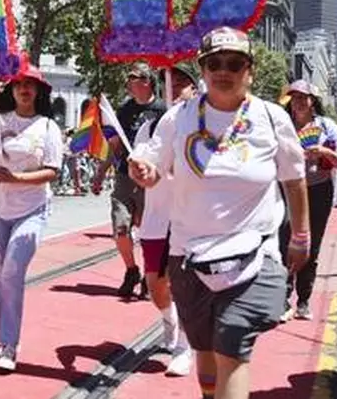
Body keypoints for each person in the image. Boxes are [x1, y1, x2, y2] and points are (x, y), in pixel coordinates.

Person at [128, 27, 310, 399]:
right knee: (206, 351)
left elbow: (294, 180)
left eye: (234, 63)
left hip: (253, 258)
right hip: (189, 257)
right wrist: (144, 171)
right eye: (214, 63)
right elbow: (154, 164)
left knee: (232, 347)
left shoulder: (272, 118)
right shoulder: (177, 118)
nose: (223, 71)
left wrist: (301, 236)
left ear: (250, 71)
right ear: (203, 69)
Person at [0, 66, 63, 373]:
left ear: (39, 91)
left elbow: (53, 172)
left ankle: (9, 344)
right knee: (0, 277)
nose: (24, 90)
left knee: (12, 272)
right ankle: (6, 334)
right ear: (12, 90)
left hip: (31, 210)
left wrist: (17, 177)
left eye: (31, 85)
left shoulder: (47, 127)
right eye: (19, 85)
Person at [131, 64, 199, 378]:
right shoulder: (151, 127)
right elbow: (147, 162)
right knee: (155, 285)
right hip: (157, 217)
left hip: (189, 218)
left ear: (195, 89)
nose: (174, 88)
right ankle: (169, 319)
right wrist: (141, 168)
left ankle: (185, 347)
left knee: (184, 284)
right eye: (168, 83)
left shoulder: (202, 124)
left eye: (182, 82)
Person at [279, 80, 337, 321]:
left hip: (319, 189)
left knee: (312, 244)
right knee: (286, 241)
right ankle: (283, 298)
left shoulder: (326, 125)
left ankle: (304, 300)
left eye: (304, 97)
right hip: (287, 190)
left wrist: (324, 152)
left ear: (313, 101)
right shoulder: (282, 124)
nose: (298, 102)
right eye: (294, 97)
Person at [98, 62, 167, 298]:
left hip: (152, 179)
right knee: (120, 227)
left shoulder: (162, 110)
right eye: (129, 79)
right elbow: (114, 144)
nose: (129, 82)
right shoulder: (124, 111)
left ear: (147, 82)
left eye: (135, 78)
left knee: (150, 231)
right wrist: (101, 171)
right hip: (125, 176)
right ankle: (131, 269)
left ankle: (151, 275)